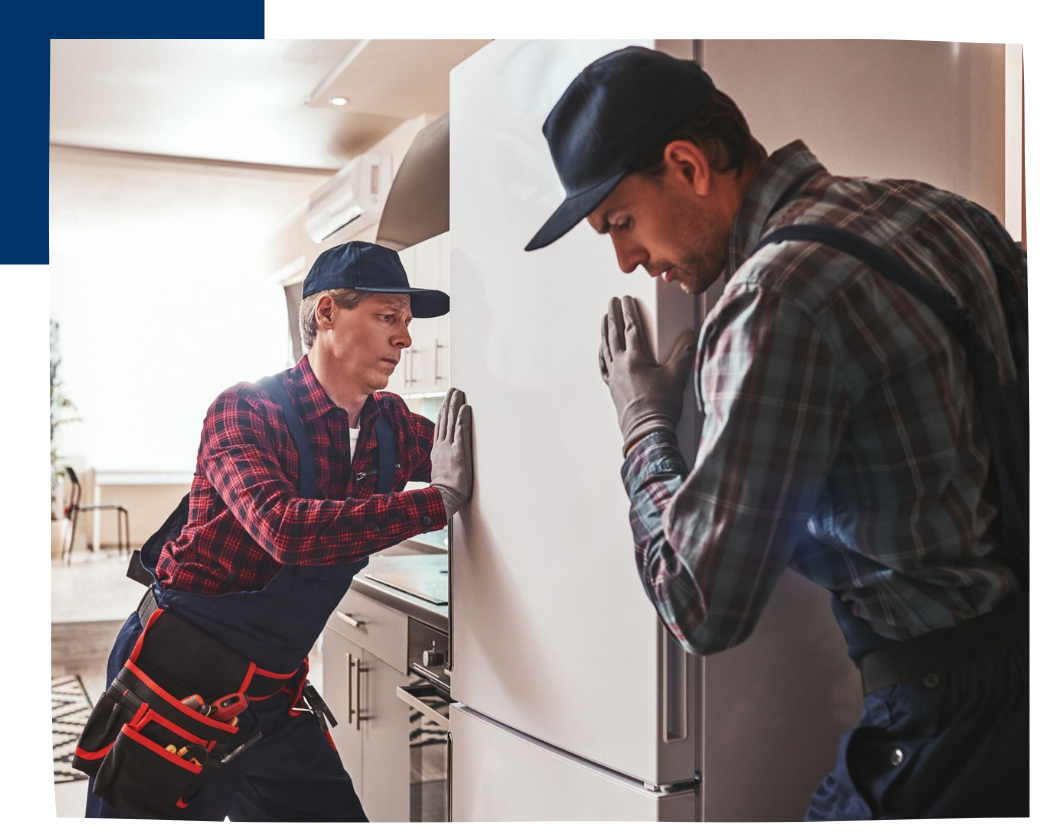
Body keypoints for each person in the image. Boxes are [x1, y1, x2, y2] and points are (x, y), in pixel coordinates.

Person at [526, 46, 1029, 820]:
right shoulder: (943, 211)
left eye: (621, 222)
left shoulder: (774, 296)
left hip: (945, 717)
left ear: (689, 165)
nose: (626, 260)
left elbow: (700, 604)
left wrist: (642, 424)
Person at [82, 241, 473, 820]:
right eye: (387, 317)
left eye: (406, 323)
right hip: (176, 685)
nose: (405, 339)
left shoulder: (390, 427)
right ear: (326, 315)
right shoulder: (245, 411)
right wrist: (437, 503)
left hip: (269, 700)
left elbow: (476, 454)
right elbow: (284, 529)